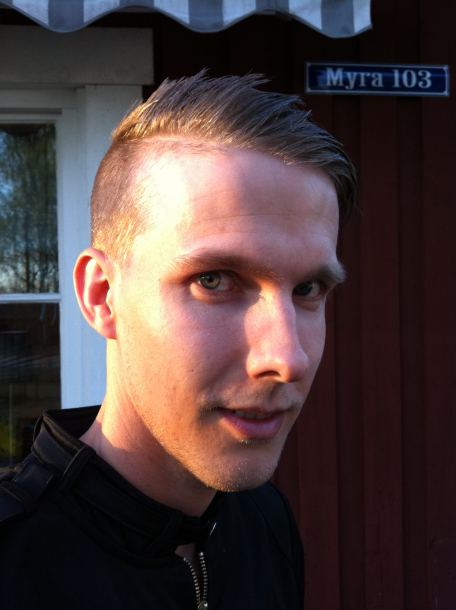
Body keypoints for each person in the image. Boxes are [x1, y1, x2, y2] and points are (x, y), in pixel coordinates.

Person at [0, 72, 356, 609]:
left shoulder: (265, 523)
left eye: (307, 289)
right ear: (102, 296)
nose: (287, 358)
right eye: (213, 280)